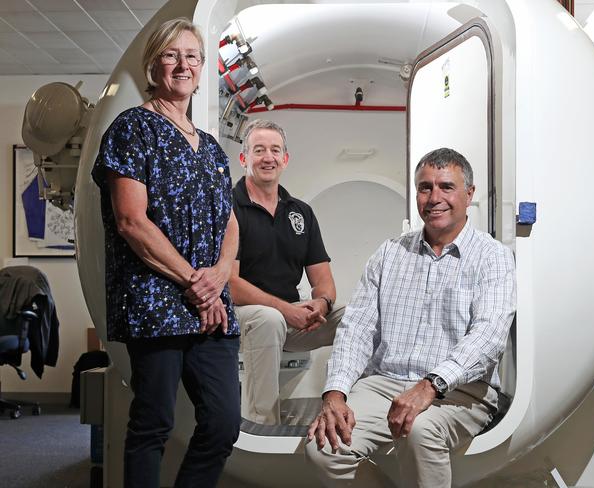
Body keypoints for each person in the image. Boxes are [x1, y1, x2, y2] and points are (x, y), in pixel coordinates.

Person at [305, 148, 516, 488]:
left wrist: (432, 384)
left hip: (462, 391)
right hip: (384, 382)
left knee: (419, 430)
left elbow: (488, 335)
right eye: (425, 187)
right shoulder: (390, 253)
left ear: (469, 194)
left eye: (446, 187)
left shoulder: (492, 257)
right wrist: (335, 392)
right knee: (325, 447)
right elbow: (357, 328)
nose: (434, 198)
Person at [92, 18, 240, 488]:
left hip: (212, 305)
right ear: (154, 65)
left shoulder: (212, 148)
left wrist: (217, 276)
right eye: (171, 55)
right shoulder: (132, 128)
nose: (183, 65)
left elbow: (229, 223)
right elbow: (132, 221)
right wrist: (195, 282)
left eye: (192, 56)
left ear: (201, 69)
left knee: (222, 422)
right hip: (156, 301)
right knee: (153, 422)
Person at [230, 119, 345, 425]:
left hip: (292, 320)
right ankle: (261, 425)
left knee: (358, 318)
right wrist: (286, 311)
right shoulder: (229, 208)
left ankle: (354, 407)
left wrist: (319, 305)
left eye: (275, 150)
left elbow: (323, 282)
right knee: (267, 319)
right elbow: (230, 285)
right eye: (259, 150)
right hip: (242, 318)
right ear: (244, 159)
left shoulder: (301, 213)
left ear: (285, 159)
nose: (268, 157)